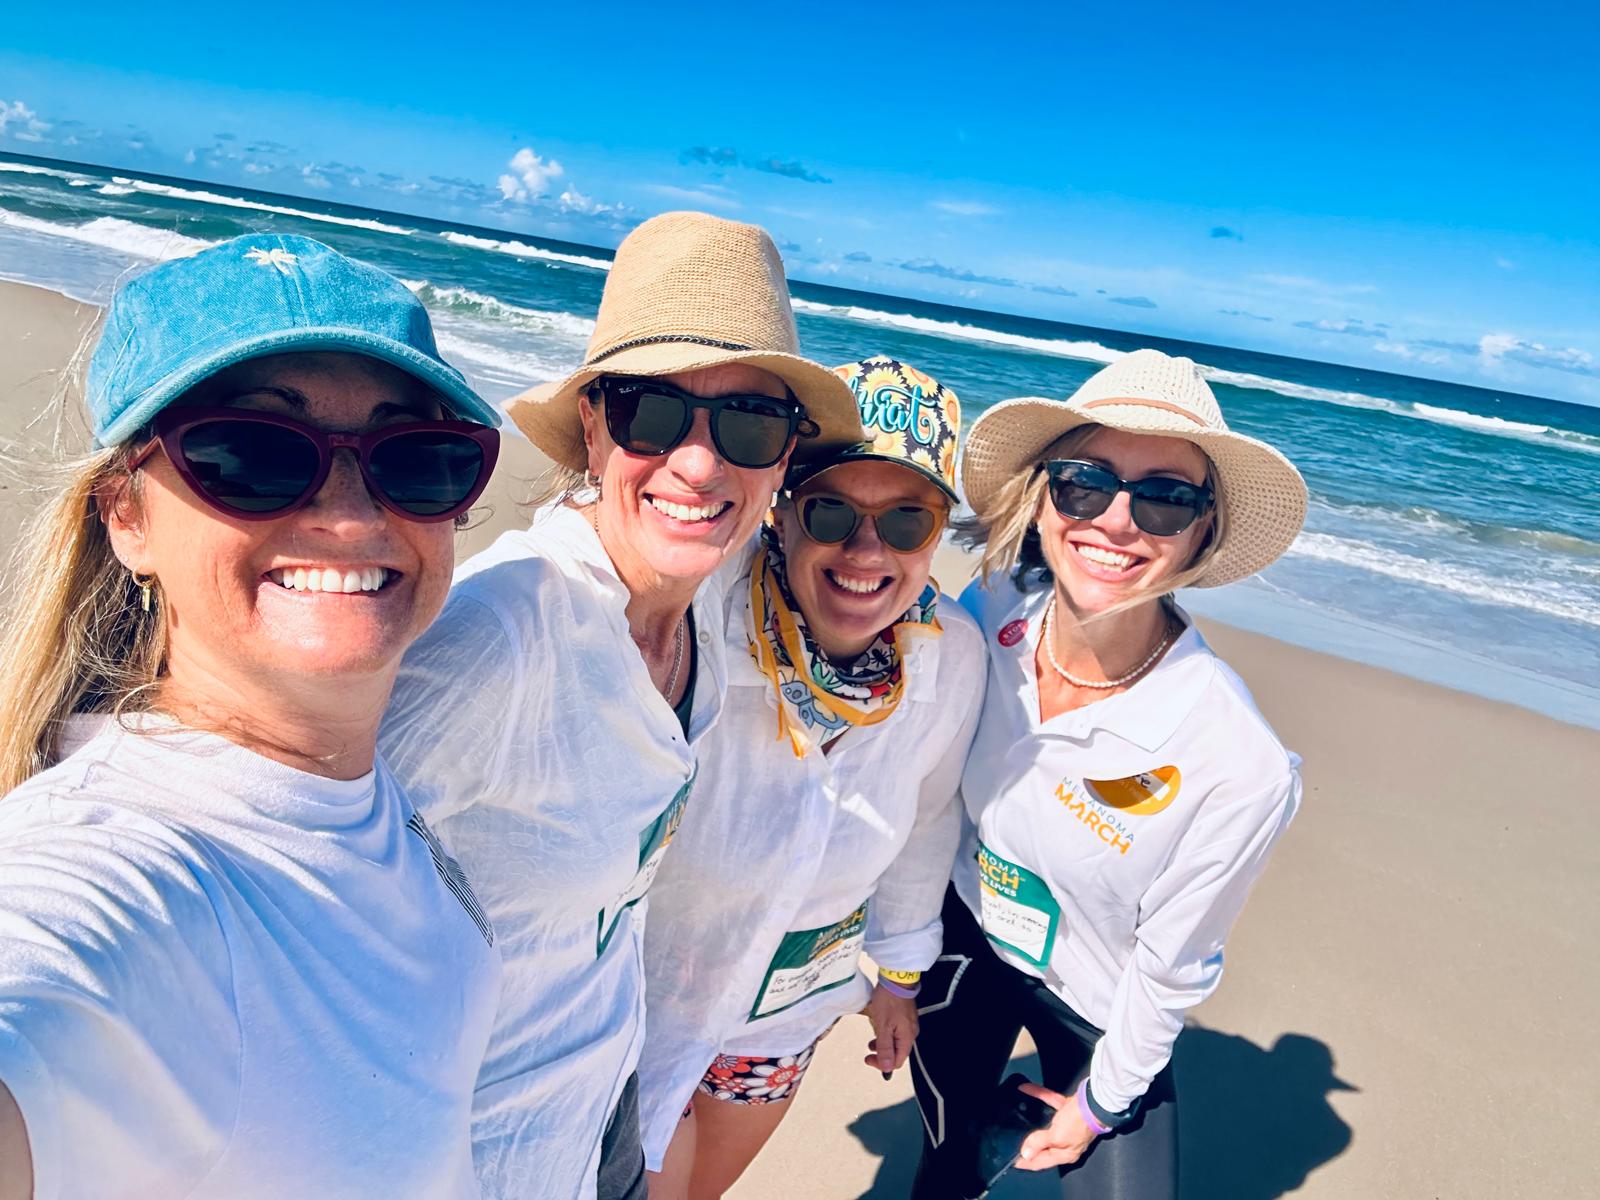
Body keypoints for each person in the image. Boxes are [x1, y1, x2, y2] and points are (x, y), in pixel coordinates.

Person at [0, 233, 504, 1199]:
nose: (353, 516)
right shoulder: (121, 877)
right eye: (252, 454)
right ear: (126, 516)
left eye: (416, 458)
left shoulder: (358, 789)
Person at [379, 211, 863, 1200]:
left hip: (603, 1120)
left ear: (782, 462)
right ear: (595, 426)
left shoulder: (706, 611)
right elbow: (273, 890)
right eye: (653, 413)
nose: (700, 464)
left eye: (749, 423)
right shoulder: (502, 635)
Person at [909, 349, 1309, 1199]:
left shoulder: (1237, 763)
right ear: (1043, 500)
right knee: (944, 1168)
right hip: (966, 943)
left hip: (1098, 1003)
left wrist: (1096, 1108)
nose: (1118, 521)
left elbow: (1170, 970)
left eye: (1165, 497)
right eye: (1085, 483)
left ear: (1203, 529)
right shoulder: (993, 608)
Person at [638, 357, 987, 1199]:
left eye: (906, 521)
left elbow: (927, 818)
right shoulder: (700, 611)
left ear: (936, 536)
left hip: (784, 1013)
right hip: (643, 1000)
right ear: (782, 511)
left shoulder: (952, 656)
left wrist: (898, 975)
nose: (867, 550)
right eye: (832, 511)